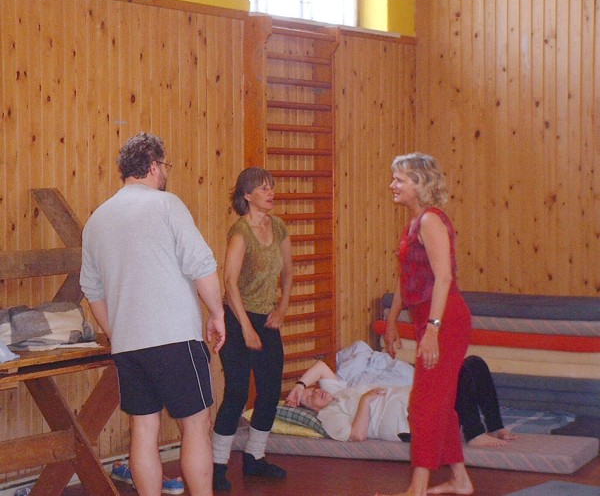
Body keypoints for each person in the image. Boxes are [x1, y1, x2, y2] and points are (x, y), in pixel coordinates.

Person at [80, 132, 225, 496]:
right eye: (165, 166)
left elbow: (93, 292)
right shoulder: (166, 205)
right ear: (154, 165)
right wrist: (217, 312)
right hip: (175, 337)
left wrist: (117, 332)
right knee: (196, 426)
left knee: (143, 430)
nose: (165, 174)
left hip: (129, 346)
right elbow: (202, 266)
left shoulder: (96, 221)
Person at [378, 153, 473, 496]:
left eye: (399, 180)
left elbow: (444, 278)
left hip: (445, 321)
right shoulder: (414, 222)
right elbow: (407, 279)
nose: (393, 185)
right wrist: (392, 321)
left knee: (423, 405)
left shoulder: (431, 220)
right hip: (428, 320)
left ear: (419, 184)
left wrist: (432, 329)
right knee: (439, 402)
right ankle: (460, 480)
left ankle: (416, 489)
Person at [212, 167, 293, 491]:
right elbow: (229, 283)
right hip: (237, 318)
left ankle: (254, 458)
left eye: (271, 187)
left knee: (270, 392)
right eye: (263, 188)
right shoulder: (240, 232)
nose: (270, 193)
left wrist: (282, 307)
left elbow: (288, 272)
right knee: (236, 393)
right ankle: (217, 465)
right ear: (247, 195)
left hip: (267, 319)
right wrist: (245, 328)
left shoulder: (279, 227)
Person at [286, 349, 516, 446]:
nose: (315, 392)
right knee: (462, 375)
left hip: (422, 401)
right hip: (413, 423)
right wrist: (365, 401)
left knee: (474, 364)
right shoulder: (329, 414)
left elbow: (320, 366)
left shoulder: (338, 391)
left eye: (313, 389)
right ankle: (474, 434)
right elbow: (356, 435)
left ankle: (495, 426)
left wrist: (300, 385)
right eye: (310, 398)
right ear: (313, 410)